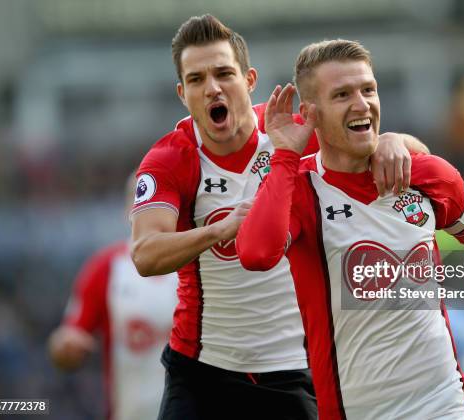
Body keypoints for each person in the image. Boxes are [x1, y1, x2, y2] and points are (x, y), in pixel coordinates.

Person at [130, 14, 429, 420]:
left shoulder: (292, 134)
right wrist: (219, 229)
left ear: (249, 80)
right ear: (182, 93)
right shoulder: (170, 159)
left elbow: (407, 151)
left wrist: (392, 141)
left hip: (295, 370)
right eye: (197, 80)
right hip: (203, 371)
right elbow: (145, 255)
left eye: (223, 74)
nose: (213, 88)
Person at [236, 39, 464, 419]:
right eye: (342, 94)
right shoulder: (299, 189)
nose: (362, 103)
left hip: (445, 402)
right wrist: (285, 153)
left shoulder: (423, 174)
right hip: (357, 410)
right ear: (311, 114)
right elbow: (255, 254)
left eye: (368, 89)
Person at [48, 173, 178, 420]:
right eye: (143, 199)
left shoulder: (202, 264)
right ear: (128, 210)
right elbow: (68, 338)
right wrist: (65, 347)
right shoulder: (106, 268)